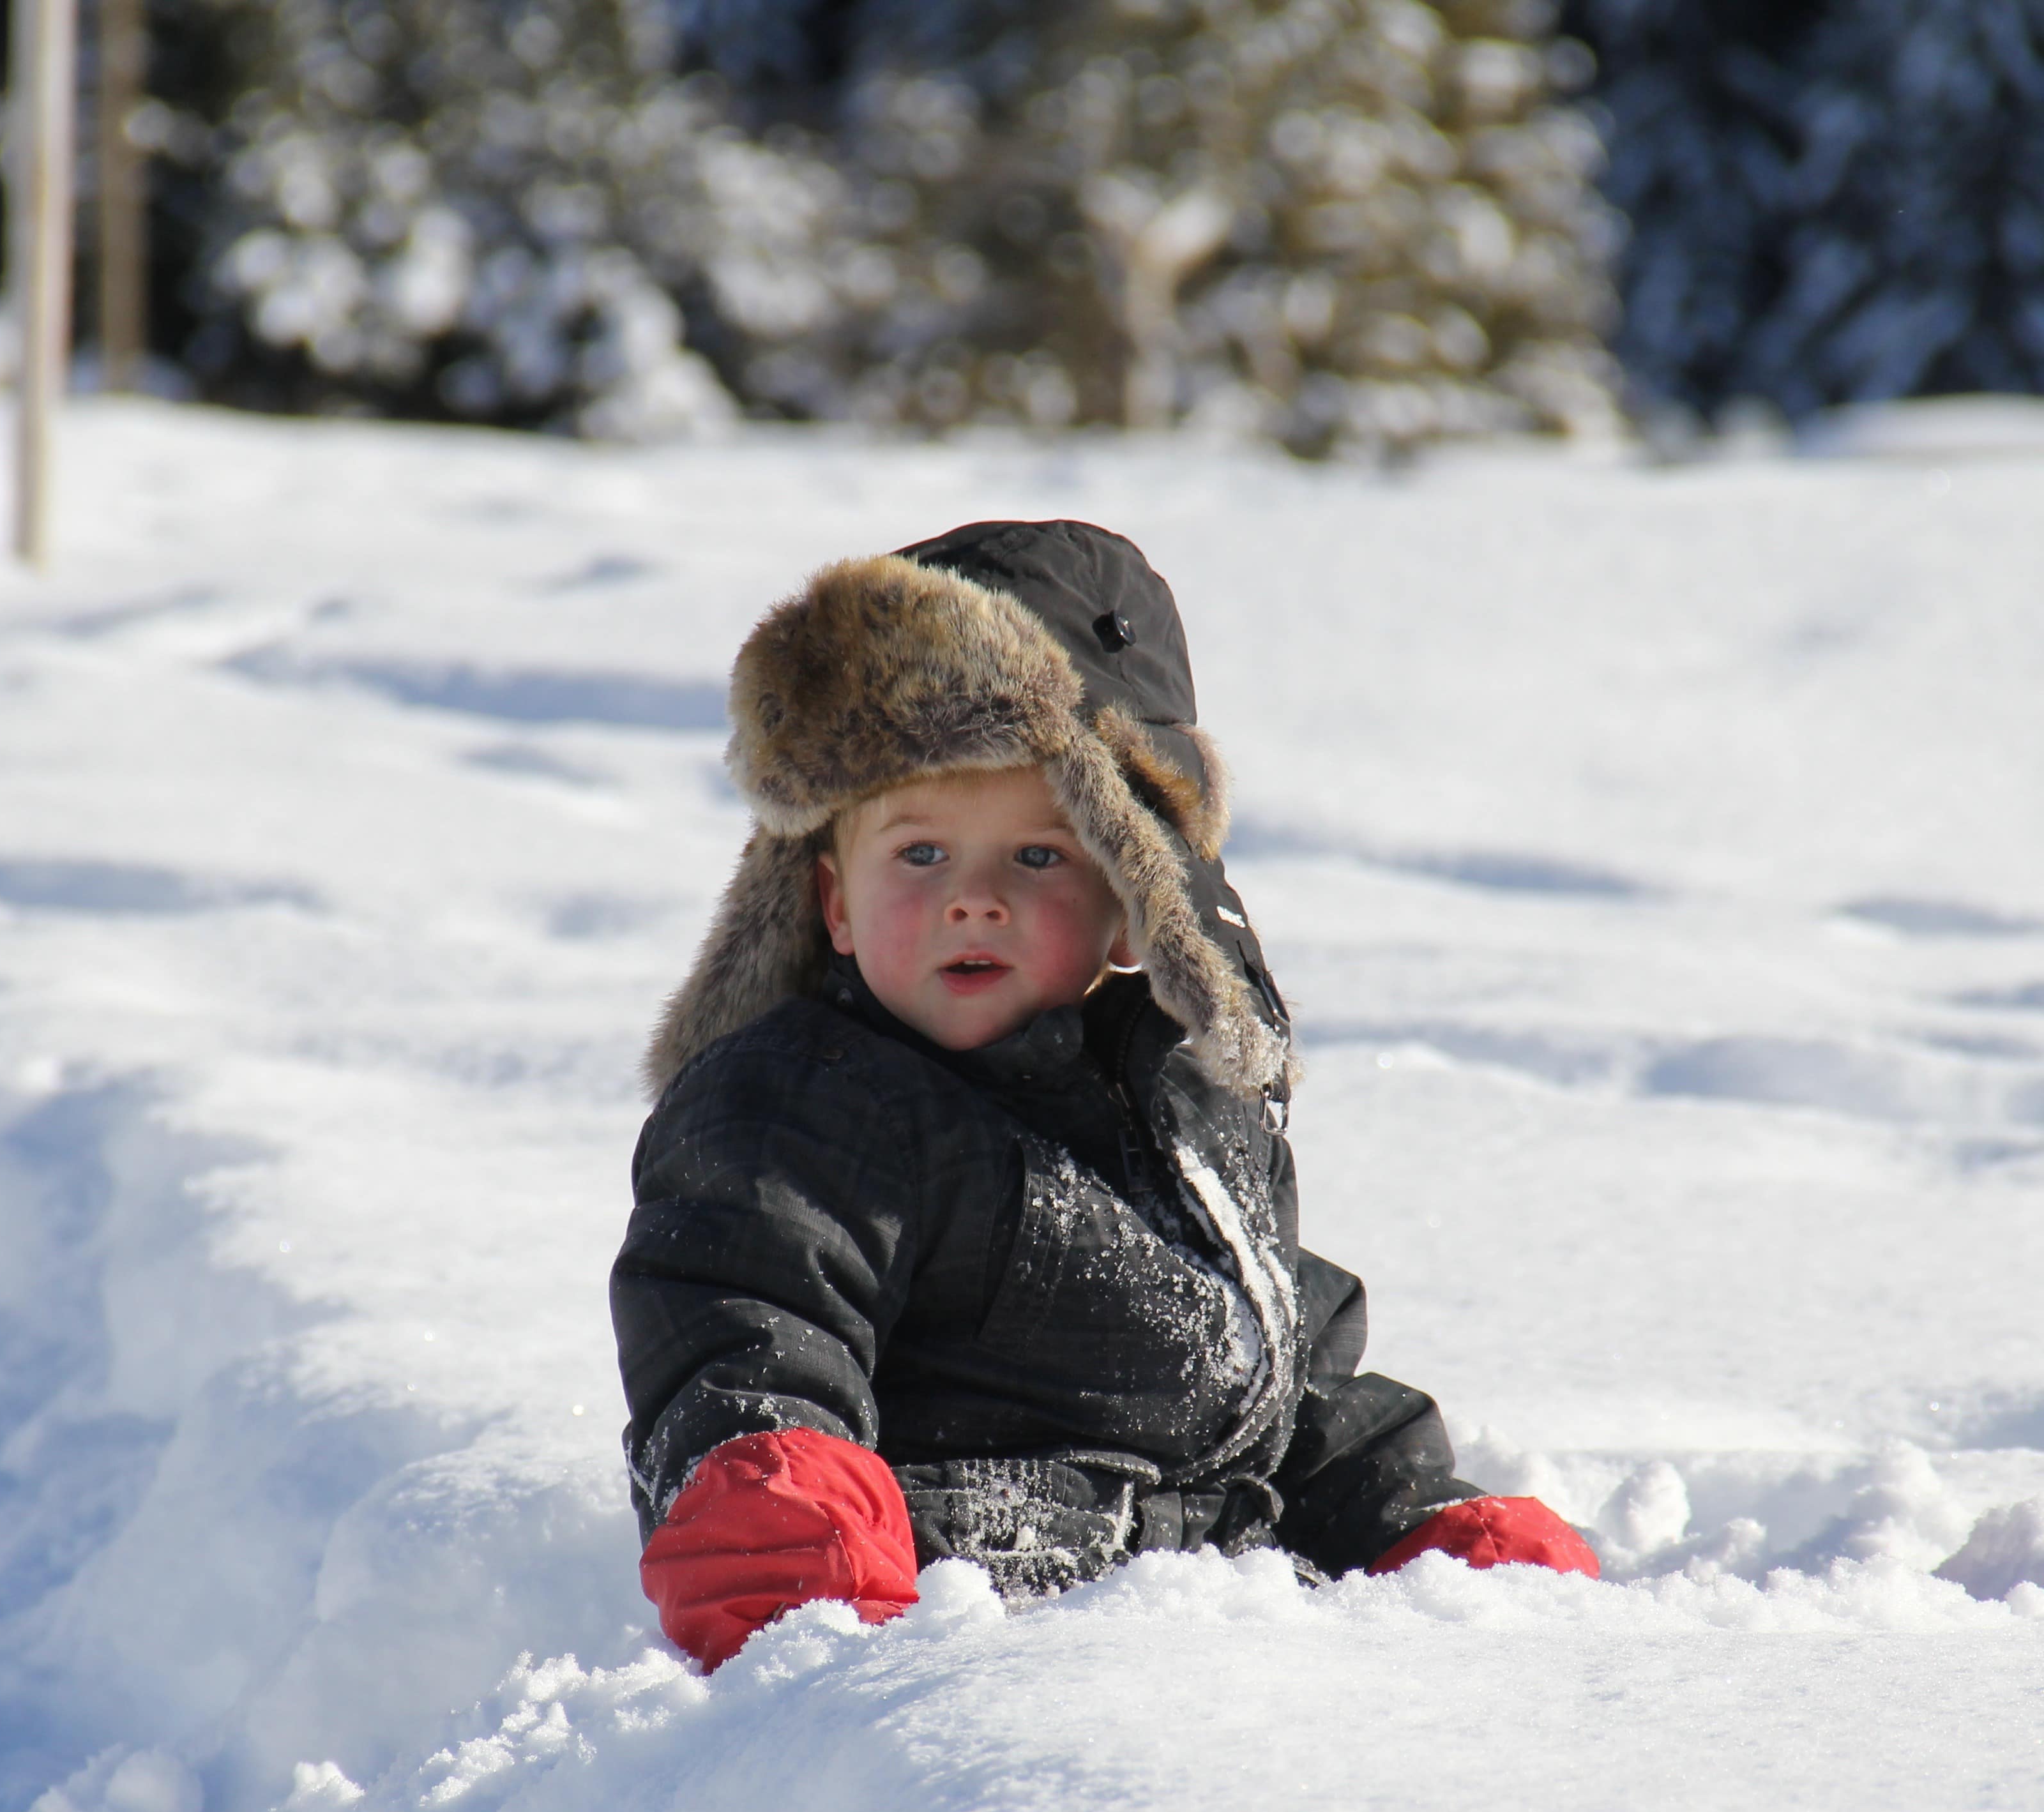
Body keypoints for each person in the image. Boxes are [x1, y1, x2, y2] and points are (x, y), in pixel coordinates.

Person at [610, 520, 1598, 1672]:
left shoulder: (1192, 1111)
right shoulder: (801, 1109)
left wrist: (1420, 1535)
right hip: (960, 1640)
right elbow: (745, 1329)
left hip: (1214, 1640)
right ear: (832, 903)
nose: (972, 901)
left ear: (1137, 894)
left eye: (1036, 858)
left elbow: (1284, 1404)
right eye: (920, 855)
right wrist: (785, 1529)